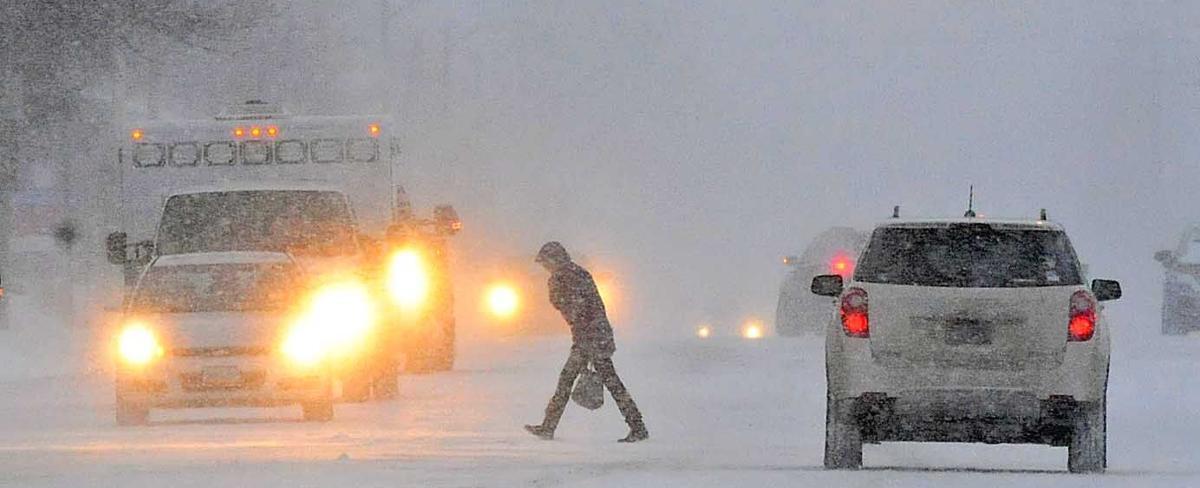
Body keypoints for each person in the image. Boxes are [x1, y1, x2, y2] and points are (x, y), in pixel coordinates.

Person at [525, 242, 648, 443]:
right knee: (606, 381)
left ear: (554, 260)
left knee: (578, 381)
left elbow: (576, 310)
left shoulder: (566, 277)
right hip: (594, 336)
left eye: (545, 263)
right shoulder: (576, 274)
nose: (544, 268)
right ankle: (637, 425)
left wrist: (585, 341)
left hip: (589, 338)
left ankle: (637, 426)